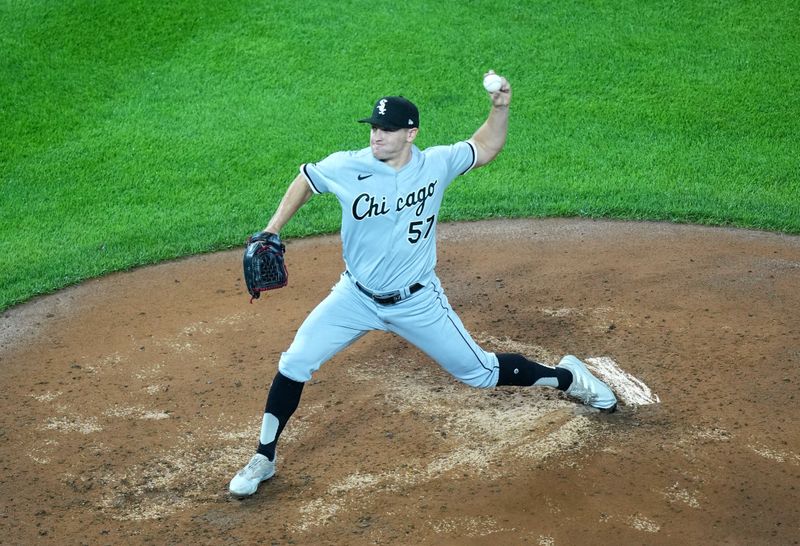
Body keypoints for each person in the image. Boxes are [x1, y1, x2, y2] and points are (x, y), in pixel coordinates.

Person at [229, 71, 617, 498]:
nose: (377, 136)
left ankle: (569, 378)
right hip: (354, 296)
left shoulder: (437, 163)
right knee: (294, 362)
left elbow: (486, 147)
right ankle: (264, 457)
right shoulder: (347, 166)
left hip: (417, 303)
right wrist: (272, 230)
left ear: (410, 133)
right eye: (374, 128)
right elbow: (306, 179)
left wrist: (500, 107)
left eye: (388, 130)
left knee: (481, 373)